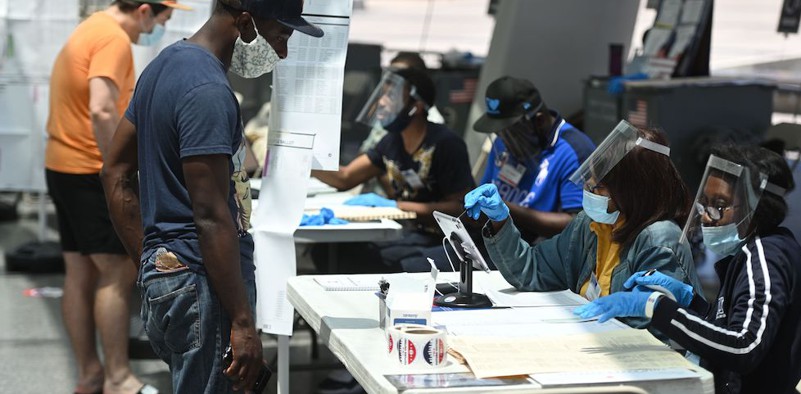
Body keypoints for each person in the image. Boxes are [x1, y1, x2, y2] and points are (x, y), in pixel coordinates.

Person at [101, 0, 323, 392]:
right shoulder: (208, 92)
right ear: (245, 22)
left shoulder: (165, 65)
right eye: (281, 35)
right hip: (204, 285)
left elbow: (115, 171)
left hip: (180, 279)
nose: (283, 52)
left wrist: (153, 263)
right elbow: (209, 214)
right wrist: (241, 321)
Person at [574, 145, 801, 394]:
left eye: (719, 206)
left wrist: (657, 308)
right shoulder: (748, 254)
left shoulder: (766, 259)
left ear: (755, 210)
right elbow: (732, 325)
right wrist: (692, 302)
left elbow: (743, 347)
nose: (707, 216)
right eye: (705, 205)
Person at [44, 1, 186, 393]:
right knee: (117, 273)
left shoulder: (91, 27)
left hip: (61, 164)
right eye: (162, 19)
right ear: (143, 10)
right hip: (89, 169)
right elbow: (102, 108)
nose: (156, 29)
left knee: (80, 272)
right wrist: (117, 171)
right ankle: (119, 379)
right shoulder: (113, 39)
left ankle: (91, 374)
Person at [466, 121, 702, 328]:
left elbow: (652, 329)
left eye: (597, 186)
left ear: (631, 191)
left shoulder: (659, 239)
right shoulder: (592, 225)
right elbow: (531, 271)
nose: (588, 189)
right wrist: (500, 220)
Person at [311, 67, 475, 273]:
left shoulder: (446, 144)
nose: (382, 102)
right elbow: (346, 178)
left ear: (417, 106)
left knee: (387, 268)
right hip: (413, 234)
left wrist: (396, 206)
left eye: (392, 96)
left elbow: (461, 210)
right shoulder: (392, 142)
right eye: (383, 94)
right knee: (327, 252)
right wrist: (305, 159)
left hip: (449, 241)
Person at [473, 76, 595, 241]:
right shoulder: (502, 143)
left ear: (539, 120)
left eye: (509, 132)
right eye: (498, 131)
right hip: (495, 238)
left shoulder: (575, 149)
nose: (502, 139)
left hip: (538, 250)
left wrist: (506, 211)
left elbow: (578, 224)